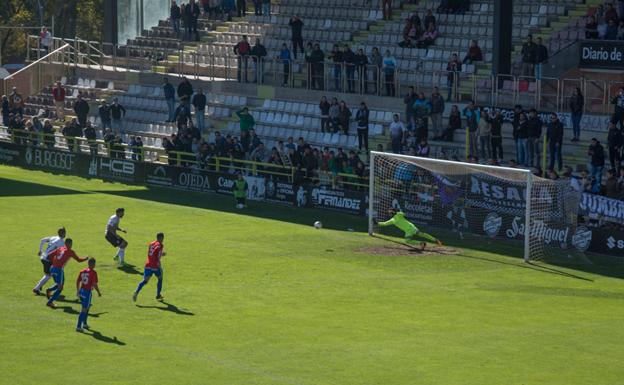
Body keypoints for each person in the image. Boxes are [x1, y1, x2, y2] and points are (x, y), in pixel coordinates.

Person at [45, 239, 89, 308]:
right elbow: (78, 260)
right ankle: (50, 302)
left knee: (59, 283)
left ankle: (49, 290)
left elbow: (49, 256)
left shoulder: (60, 248)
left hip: (52, 268)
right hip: (59, 270)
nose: (71, 245)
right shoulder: (71, 252)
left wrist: (54, 263)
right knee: (60, 287)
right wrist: (86, 259)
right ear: (68, 244)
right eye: (70, 244)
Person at [376, 208, 443, 249]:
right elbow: (385, 223)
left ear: (393, 212)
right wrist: (377, 223)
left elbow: (403, 213)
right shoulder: (392, 220)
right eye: (389, 212)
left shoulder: (398, 214)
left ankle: (436, 240)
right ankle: (421, 243)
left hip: (411, 227)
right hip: (407, 231)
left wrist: (396, 212)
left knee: (421, 234)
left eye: (390, 212)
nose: (389, 213)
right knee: (408, 241)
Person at [133, 233, 167, 302]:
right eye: (162, 238)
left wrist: (160, 254)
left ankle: (136, 292)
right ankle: (158, 295)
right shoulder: (160, 245)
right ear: (160, 238)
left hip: (148, 265)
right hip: (155, 266)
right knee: (160, 278)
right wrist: (159, 260)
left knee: (145, 281)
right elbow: (157, 253)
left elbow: (151, 253)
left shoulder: (151, 244)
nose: (163, 240)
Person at [33, 227, 66, 295]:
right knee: (49, 275)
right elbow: (61, 254)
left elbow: (42, 240)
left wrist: (40, 250)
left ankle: (39, 286)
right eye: (64, 232)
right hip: (48, 259)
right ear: (62, 233)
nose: (65, 233)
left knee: (48, 274)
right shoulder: (61, 242)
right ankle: (36, 288)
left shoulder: (54, 237)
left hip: (43, 257)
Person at [75, 258, 101, 332]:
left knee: (87, 307)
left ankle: (84, 323)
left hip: (82, 291)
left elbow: (78, 280)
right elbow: (94, 284)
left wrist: (78, 290)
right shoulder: (93, 272)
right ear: (93, 264)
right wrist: (98, 292)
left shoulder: (82, 271)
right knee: (84, 309)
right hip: (87, 292)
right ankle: (78, 326)